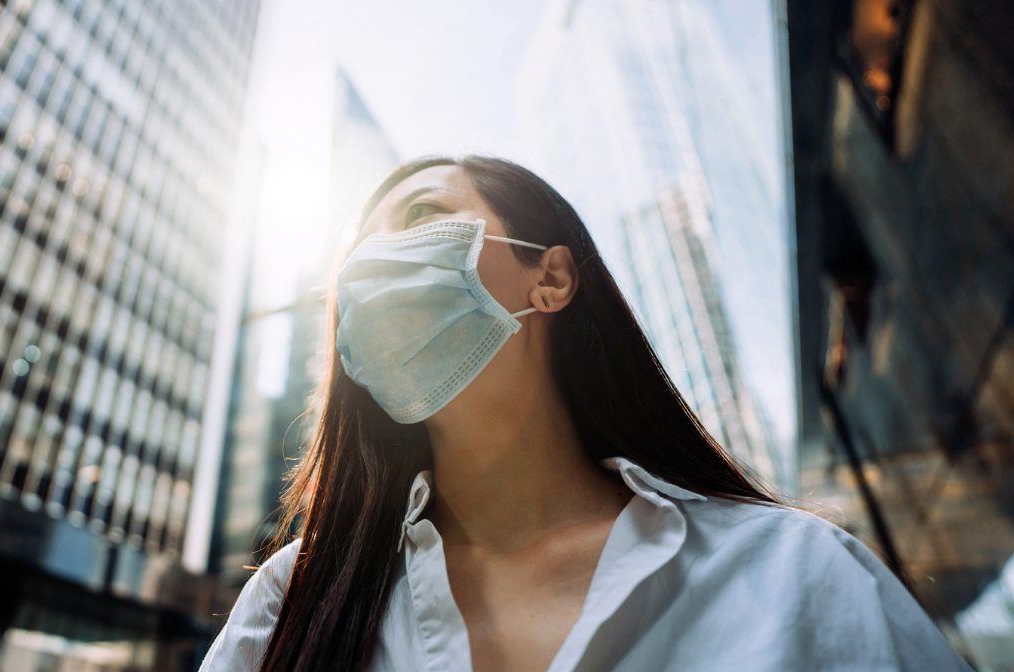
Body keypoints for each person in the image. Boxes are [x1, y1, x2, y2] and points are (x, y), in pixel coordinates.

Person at [199, 157, 971, 672]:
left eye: (421, 213)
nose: (372, 267)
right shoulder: (292, 599)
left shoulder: (795, 574)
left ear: (553, 277)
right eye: (355, 258)